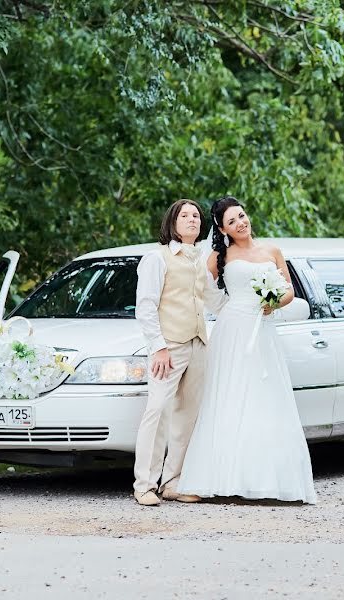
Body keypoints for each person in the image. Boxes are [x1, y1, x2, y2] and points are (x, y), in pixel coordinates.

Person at [177, 196, 317, 504]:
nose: (240, 222)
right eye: (231, 221)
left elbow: (289, 292)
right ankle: (215, 478)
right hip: (233, 329)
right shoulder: (218, 256)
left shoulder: (272, 251)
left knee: (265, 398)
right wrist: (225, 307)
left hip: (262, 330)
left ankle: (267, 480)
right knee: (228, 397)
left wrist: (272, 303)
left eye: (241, 216)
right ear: (222, 228)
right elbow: (197, 288)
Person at [132, 199, 227, 506]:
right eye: (184, 215)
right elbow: (146, 306)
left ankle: (173, 481)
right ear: (172, 223)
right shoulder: (156, 258)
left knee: (188, 415)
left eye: (196, 216)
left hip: (199, 343)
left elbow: (214, 301)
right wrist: (158, 347)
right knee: (157, 411)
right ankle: (145, 483)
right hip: (168, 346)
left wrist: (253, 309)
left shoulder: (200, 260)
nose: (192, 220)